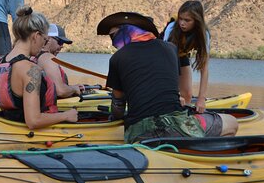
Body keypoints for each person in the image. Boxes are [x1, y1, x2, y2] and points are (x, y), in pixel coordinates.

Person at [98, 11, 237, 143]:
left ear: (127, 31)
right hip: (178, 126)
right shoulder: (171, 49)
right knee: (231, 122)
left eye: (113, 36)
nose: (113, 42)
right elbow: (180, 91)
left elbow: (118, 106)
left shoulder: (117, 58)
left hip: (139, 133)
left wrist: (115, 117)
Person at [0, 6, 78, 130]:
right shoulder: (30, 70)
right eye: (45, 40)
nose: (43, 45)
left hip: (10, 125)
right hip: (33, 135)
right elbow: (33, 120)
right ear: (36, 36)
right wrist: (66, 115)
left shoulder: (1, 63)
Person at [162, 1, 211, 113]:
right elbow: (166, 63)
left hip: (182, 55)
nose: (182, 23)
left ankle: (183, 120)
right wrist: (175, 94)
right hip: (163, 57)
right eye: (180, 19)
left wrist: (201, 99)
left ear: (197, 21)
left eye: (187, 20)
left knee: (187, 95)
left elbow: (204, 68)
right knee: (173, 97)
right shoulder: (171, 28)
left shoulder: (204, 34)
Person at [34, 24, 84, 98]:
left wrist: (71, 87)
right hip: (50, 108)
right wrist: (74, 89)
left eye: (63, 43)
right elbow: (60, 91)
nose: (61, 46)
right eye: (60, 42)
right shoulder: (48, 58)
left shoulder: (34, 54)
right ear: (49, 39)